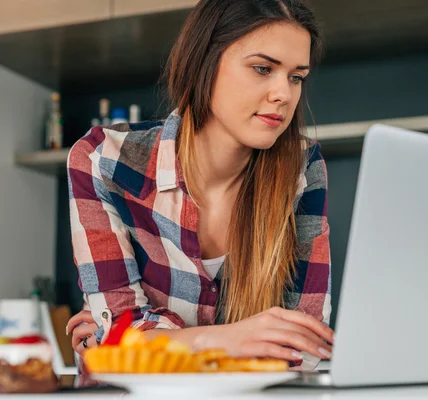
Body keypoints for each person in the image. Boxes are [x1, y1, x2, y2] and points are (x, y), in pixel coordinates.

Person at [65, 0, 333, 368]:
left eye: (295, 76)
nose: (284, 94)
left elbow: (304, 344)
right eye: (262, 68)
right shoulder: (104, 160)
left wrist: (151, 336)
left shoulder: (302, 169)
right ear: (203, 64)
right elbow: (120, 337)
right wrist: (233, 338)